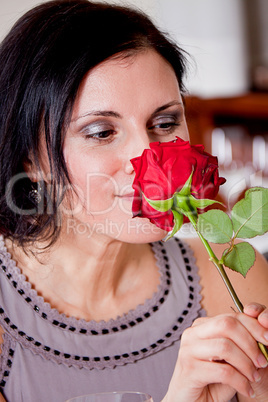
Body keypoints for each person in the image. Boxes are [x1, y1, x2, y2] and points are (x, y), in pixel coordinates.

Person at [0, 1, 268, 401]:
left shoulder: (230, 275)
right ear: (30, 159)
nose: (148, 155)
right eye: (101, 132)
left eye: (164, 123)